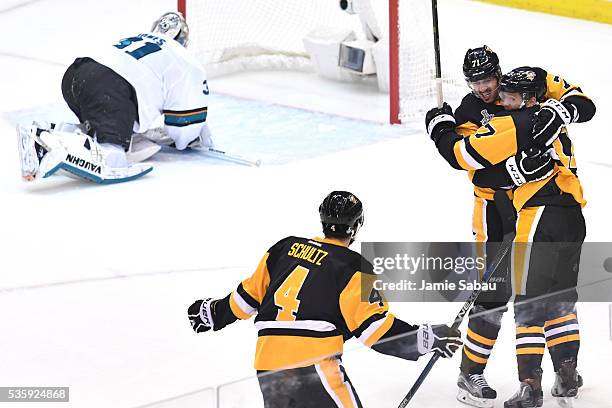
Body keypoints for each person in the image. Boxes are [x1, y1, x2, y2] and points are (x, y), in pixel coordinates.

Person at [187, 191, 462, 408]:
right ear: (356, 227)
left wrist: (213, 312)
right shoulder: (356, 266)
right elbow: (375, 330)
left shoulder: (285, 247)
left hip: (267, 364)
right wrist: (426, 338)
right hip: (314, 365)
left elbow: (245, 300)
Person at [426, 66, 595, 408]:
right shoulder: (481, 109)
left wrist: (438, 127)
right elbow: (473, 166)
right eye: (477, 82)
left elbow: (461, 155)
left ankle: (533, 382)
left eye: (496, 85)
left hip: (532, 212)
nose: (493, 93)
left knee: (531, 298)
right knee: (496, 293)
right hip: (501, 211)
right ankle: (473, 371)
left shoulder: (515, 115)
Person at [17, 11, 212, 184]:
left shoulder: (140, 38)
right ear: (184, 41)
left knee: (102, 127)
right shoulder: (185, 60)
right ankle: (45, 146)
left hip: (75, 75)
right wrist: (193, 136)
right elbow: (183, 128)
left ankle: (54, 132)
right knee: (113, 156)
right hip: (109, 87)